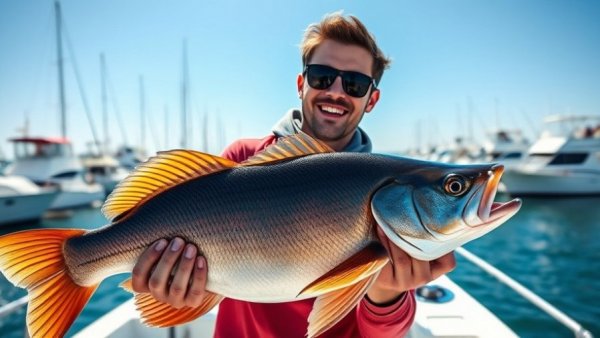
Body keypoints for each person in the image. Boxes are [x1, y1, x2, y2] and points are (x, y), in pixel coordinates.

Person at [131, 12, 456, 337]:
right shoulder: (243, 159)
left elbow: (384, 334)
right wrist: (177, 288)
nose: (337, 91)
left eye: (355, 84)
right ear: (302, 84)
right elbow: (193, 288)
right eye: (322, 76)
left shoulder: (385, 197)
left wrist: (387, 292)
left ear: (371, 100)